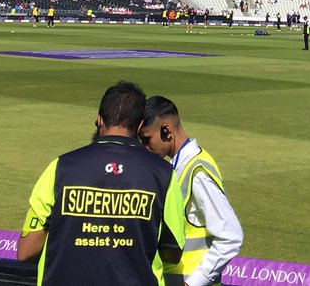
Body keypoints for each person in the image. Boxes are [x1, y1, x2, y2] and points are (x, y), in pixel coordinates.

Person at [17, 81, 185, 285]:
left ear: (99, 121)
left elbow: (26, 252)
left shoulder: (60, 167)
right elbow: (172, 251)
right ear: (140, 126)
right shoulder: (163, 174)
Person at [139, 96, 244, 286]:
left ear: (166, 131)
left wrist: (194, 283)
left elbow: (231, 236)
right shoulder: (178, 167)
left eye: (147, 139)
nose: (144, 148)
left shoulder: (198, 172)